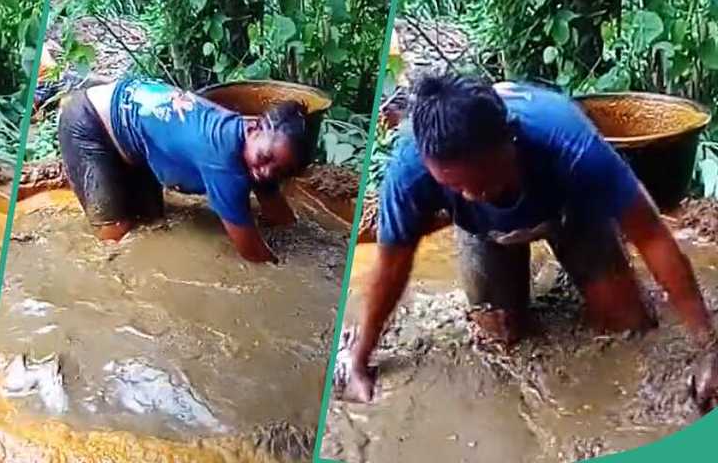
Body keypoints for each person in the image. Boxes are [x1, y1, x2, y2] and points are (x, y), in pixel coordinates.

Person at [341, 73, 718, 411]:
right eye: (453, 186)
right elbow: (391, 268)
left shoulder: (568, 141)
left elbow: (651, 235)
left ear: (511, 139)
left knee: (629, 324)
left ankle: (572, 265)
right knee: (501, 337)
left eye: (484, 179)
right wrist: (359, 359)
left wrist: (707, 346)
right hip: (484, 233)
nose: (471, 194)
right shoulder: (408, 173)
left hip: (572, 208)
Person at [58, 76, 311, 263]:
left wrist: (301, 239)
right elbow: (253, 254)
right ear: (253, 128)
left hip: (134, 129)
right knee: (117, 235)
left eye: (278, 172)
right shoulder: (223, 161)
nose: (265, 172)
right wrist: (289, 272)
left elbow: (281, 217)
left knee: (152, 224)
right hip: (89, 121)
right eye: (265, 158)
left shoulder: (256, 151)